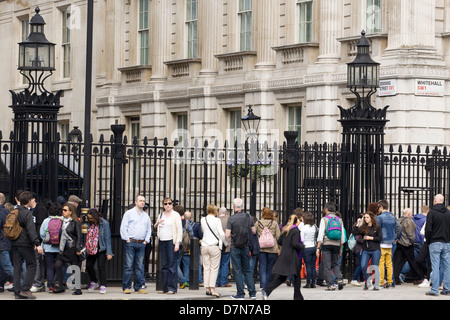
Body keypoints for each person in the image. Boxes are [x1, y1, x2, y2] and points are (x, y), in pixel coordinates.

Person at [262, 214, 304, 300]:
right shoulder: (295, 230)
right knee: (297, 277)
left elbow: (279, 241)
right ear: (297, 222)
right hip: (293, 257)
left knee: (282, 277)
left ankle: (266, 290)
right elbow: (295, 243)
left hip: (284, 255)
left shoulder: (285, 230)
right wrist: (302, 246)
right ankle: (297, 297)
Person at [11, 191, 44, 299]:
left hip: (15, 243)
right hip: (25, 243)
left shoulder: (14, 211)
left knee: (17, 267)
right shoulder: (27, 213)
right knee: (32, 264)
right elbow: (31, 230)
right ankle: (25, 289)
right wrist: (37, 243)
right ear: (29, 201)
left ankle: (17, 292)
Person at [225, 198, 257, 300]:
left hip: (235, 247)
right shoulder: (248, 217)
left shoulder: (231, 218)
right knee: (247, 270)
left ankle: (240, 294)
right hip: (245, 246)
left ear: (233, 207)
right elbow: (254, 231)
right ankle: (252, 293)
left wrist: (233, 235)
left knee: (237, 270)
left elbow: (227, 234)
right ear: (242, 206)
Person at [120, 194, 152, 294]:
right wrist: (127, 239)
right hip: (131, 242)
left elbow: (148, 229)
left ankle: (138, 287)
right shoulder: (129, 213)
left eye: (143, 201)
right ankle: (126, 287)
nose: (142, 202)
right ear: (136, 202)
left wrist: (146, 240)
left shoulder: (146, 215)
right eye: (140, 200)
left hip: (141, 243)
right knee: (128, 266)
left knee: (139, 267)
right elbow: (123, 227)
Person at [154, 197, 182, 294]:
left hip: (171, 241)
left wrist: (177, 243)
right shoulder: (161, 214)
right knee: (164, 266)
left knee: (172, 265)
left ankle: (172, 288)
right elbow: (155, 226)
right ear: (163, 205)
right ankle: (164, 287)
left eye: (169, 203)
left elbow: (179, 230)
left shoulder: (176, 215)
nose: (168, 205)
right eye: (165, 204)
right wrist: (157, 222)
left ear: (172, 205)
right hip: (162, 241)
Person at [53, 202, 83, 295]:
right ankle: (61, 287)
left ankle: (78, 289)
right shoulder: (62, 221)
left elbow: (79, 236)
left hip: (72, 248)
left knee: (75, 267)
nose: (63, 211)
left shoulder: (75, 222)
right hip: (63, 248)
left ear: (70, 212)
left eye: (65, 210)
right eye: (63, 210)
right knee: (57, 265)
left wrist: (78, 249)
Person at [424, 194, 450, 296]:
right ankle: (447, 289)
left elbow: (428, 229)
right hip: (446, 243)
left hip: (435, 242)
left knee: (435, 266)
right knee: (447, 267)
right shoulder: (448, 213)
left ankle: (434, 290)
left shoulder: (432, 213)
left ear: (435, 200)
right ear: (443, 201)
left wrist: (429, 240)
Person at [316, 202, 345, 291]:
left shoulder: (324, 219)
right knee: (335, 263)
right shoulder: (339, 219)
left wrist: (318, 247)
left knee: (327, 265)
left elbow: (320, 234)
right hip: (336, 244)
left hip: (327, 244)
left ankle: (330, 285)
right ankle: (339, 279)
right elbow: (342, 236)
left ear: (326, 209)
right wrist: (340, 248)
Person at [200, 204, 227, 297]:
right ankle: (212, 289)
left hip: (204, 246)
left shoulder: (203, 220)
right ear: (215, 211)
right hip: (214, 246)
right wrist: (225, 244)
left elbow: (204, 231)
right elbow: (222, 234)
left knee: (206, 267)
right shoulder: (217, 220)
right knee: (214, 268)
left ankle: (207, 288)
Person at [393, 208, 425, 285]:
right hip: (407, 244)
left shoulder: (399, 220)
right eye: (411, 213)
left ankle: (396, 278)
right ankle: (419, 277)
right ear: (409, 214)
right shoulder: (408, 221)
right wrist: (412, 242)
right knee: (412, 261)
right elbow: (411, 234)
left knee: (398, 262)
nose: (412, 214)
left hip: (399, 243)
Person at [85, 208, 113, 294]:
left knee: (101, 267)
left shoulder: (104, 223)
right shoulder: (90, 224)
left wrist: (109, 252)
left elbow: (107, 238)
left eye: (91, 218)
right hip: (92, 249)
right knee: (89, 266)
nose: (90, 219)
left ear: (96, 216)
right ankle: (94, 281)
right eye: (89, 218)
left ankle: (103, 285)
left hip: (101, 248)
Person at [352, 211, 382, 290]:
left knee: (375, 267)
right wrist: (358, 224)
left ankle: (376, 284)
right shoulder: (363, 227)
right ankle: (368, 282)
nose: (365, 219)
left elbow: (380, 238)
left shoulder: (377, 227)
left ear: (371, 218)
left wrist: (370, 238)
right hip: (365, 249)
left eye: (367, 217)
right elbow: (354, 232)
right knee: (363, 266)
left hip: (375, 249)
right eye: (364, 217)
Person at [39, 201, 63, 292]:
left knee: (50, 267)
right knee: (60, 266)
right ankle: (58, 283)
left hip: (48, 247)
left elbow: (42, 234)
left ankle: (50, 286)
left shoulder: (46, 221)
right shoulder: (63, 220)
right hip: (59, 248)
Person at [376, 199, 400, 288]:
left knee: (381, 263)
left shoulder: (380, 217)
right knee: (389, 263)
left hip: (382, 242)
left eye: (378, 207)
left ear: (381, 207)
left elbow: (377, 230)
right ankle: (390, 281)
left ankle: (381, 282)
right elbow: (397, 228)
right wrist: (395, 238)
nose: (378, 209)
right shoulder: (393, 217)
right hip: (390, 242)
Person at [177, 208, 203, 289]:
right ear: (191, 217)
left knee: (179, 264)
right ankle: (192, 280)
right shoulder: (192, 224)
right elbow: (194, 235)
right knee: (189, 264)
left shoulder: (178, 222)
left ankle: (184, 280)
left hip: (179, 246)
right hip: (188, 247)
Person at [256, 207, 280, 289]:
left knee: (262, 266)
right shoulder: (274, 223)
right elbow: (278, 236)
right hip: (272, 248)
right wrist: (279, 248)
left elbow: (254, 234)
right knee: (269, 267)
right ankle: (268, 285)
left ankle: (262, 285)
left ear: (262, 214)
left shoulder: (258, 223)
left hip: (261, 248)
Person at [30, 193, 49, 293]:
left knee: (37, 261)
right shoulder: (33, 210)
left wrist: (36, 242)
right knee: (38, 261)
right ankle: (39, 283)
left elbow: (39, 227)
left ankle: (37, 283)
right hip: (36, 241)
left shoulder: (40, 209)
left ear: (33, 199)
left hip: (38, 241)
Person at [0, 193, 13, 292]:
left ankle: (22, 285)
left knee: (7, 267)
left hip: (2, 243)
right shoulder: (7, 212)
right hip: (6, 242)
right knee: (5, 266)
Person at [300, 211, 317, 288]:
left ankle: (308, 283)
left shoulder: (303, 228)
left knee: (308, 266)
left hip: (306, 248)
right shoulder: (314, 227)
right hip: (314, 247)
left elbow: (302, 239)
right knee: (313, 266)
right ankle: (313, 283)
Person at [216, 206, 231, 288]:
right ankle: (223, 282)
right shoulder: (229, 220)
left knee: (217, 264)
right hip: (227, 245)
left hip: (217, 244)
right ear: (226, 213)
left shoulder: (216, 220)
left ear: (219, 212)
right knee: (225, 264)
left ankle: (216, 281)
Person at [350, 214, 365, 286]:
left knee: (362, 264)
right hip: (359, 249)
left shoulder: (363, 227)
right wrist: (358, 224)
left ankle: (362, 280)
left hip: (362, 248)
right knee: (361, 264)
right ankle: (354, 279)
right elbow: (357, 237)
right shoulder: (356, 228)